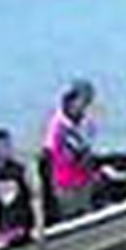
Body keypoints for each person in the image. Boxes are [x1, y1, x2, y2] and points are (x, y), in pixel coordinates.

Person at [41, 79, 99, 221]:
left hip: (83, 178)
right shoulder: (58, 124)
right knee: (69, 214)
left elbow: (87, 147)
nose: (85, 104)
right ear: (71, 99)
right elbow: (48, 153)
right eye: (83, 100)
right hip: (64, 181)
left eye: (88, 101)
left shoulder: (87, 122)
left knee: (85, 211)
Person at [0, 128, 35, 246]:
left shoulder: (19, 170)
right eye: (4, 146)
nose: (10, 149)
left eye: (9, 145)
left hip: (21, 224)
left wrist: (38, 225)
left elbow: (33, 198)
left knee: (15, 235)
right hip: (2, 225)